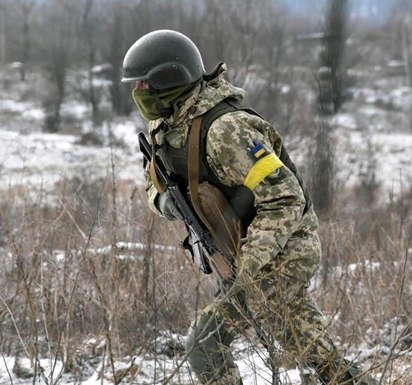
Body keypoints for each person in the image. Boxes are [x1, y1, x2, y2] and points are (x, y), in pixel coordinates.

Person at [122, 29, 376, 385]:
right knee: (306, 344)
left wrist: (250, 272)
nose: (138, 93)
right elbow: (154, 183)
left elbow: (285, 198)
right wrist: (165, 203)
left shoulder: (227, 131)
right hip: (239, 250)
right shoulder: (165, 126)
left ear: (170, 79)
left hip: (283, 249)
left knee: (204, 346)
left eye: (144, 85)